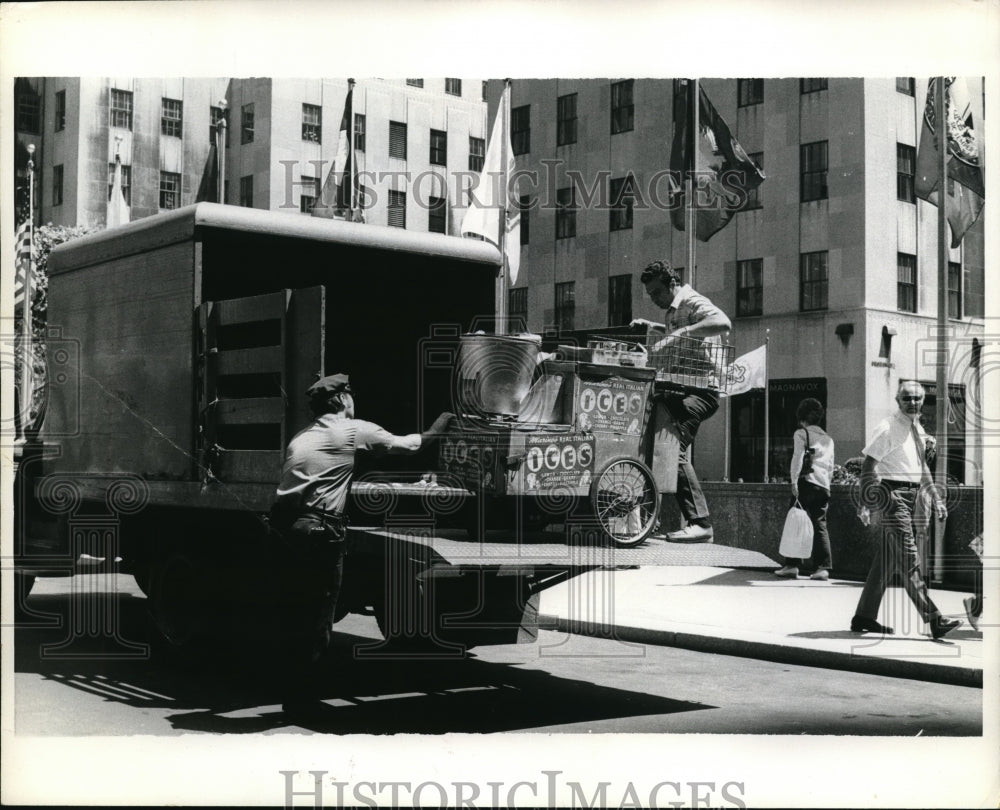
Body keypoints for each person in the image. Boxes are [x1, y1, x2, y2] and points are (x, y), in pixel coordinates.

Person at [270, 373, 453, 719]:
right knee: (319, 619)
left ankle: (291, 690)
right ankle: (301, 702)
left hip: (290, 528)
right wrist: (440, 425)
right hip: (322, 533)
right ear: (342, 400)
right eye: (351, 395)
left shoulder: (301, 438)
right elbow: (409, 446)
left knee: (296, 613)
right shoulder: (351, 430)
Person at [852, 380, 960, 639]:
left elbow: (922, 468)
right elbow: (869, 465)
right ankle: (934, 619)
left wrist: (936, 498)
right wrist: (865, 503)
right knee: (909, 559)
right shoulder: (888, 427)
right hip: (893, 496)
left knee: (887, 560)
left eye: (917, 398)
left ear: (923, 400)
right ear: (898, 401)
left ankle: (863, 616)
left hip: (911, 496)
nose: (912, 402)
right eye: (907, 398)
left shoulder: (916, 428)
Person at [633, 259, 731, 542]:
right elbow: (680, 335)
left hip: (701, 391)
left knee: (672, 451)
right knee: (653, 442)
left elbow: (723, 322)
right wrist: (654, 326)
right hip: (682, 388)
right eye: (650, 294)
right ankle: (649, 515)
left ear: (672, 284)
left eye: (656, 292)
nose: (654, 299)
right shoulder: (673, 311)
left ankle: (701, 523)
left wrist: (681, 332)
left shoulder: (691, 300)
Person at [775, 398, 835, 580]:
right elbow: (831, 466)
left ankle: (792, 565)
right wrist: (827, 485)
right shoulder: (828, 439)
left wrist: (794, 481)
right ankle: (822, 568)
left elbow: (798, 457)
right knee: (820, 525)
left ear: (801, 417)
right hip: (823, 485)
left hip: (806, 482)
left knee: (795, 521)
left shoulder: (801, 433)